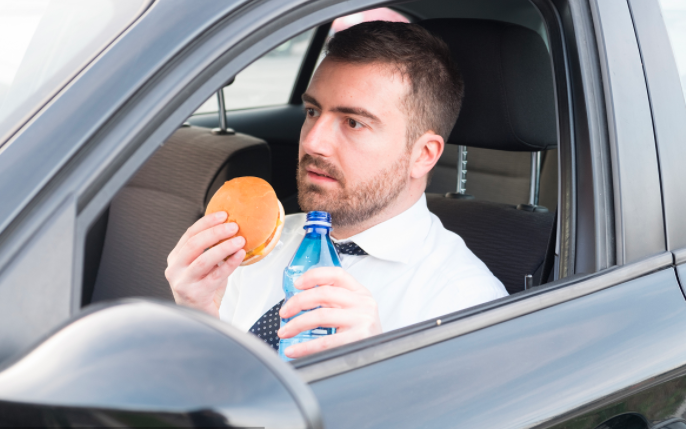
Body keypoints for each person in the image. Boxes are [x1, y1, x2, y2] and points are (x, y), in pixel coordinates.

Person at [165, 21, 508, 360]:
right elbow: (223, 398)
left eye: (353, 122)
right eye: (312, 111)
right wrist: (201, 316)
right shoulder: (263, 242)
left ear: (423, 155)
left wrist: (373, 374)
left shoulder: (464, 304)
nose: (313, 142)